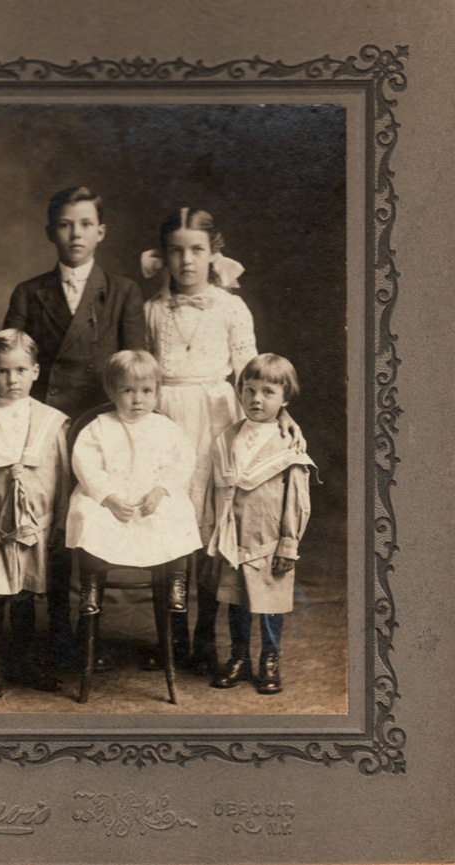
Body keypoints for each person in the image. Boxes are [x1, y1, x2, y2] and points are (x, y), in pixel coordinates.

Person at [0, 186, 146, 664]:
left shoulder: (124, 291)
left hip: (97, 427)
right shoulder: (30, 291)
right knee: (40, 530)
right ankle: (39, 642)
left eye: (85, 224)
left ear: (101, 232)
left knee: (86, 530)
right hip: (41, 431)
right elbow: (5, 351)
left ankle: (77, 640)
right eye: (66, 224)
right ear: (52, 231)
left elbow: (138, 370)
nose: (76, 233)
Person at [141, 207, 303, 674]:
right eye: (176, 251)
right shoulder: (151, 310)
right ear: (164, 255)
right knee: (169, 532)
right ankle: (170, 638)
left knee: (215, 532)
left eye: (197, 250)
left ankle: (206, 637)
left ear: (214, 254)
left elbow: (255, 373)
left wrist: (284, 413)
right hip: (167, 420)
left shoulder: (232, 307)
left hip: (218, 421)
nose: (186, 261)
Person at [66, 350, 202, 682]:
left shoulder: (166, 428)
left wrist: (161, 490)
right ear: (112, 391)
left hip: (149, 500)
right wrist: (108, 497)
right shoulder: (98, 427)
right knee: (87, 516)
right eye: (128, 391)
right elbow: (85, 465)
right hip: (112, 500)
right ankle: (92, 588)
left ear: (157, 392)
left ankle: (176, 583)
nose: (137, 400)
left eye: (146, 391)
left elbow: (182, 463)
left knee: (179, 516)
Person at [0, 329, 70, 698]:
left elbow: (64, 477)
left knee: (24, 595)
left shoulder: (53, 422)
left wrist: (60, 523)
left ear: (36, 371)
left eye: (21, 370)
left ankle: (24, 661)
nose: (12, 379)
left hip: (34, 526)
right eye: (3, 372)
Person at [201, 354, 319, 694]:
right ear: (239, 392)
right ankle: (239, 657)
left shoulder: (289, 442)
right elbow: (215, 488)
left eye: (268, 392)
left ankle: (270, 659)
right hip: (232, 537)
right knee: (236, 601)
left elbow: (297, 499)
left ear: (285, 399)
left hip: (268, 538)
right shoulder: (227, 437)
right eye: (249, 390)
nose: (256, 399)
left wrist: (288, 543)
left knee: (269, 604)